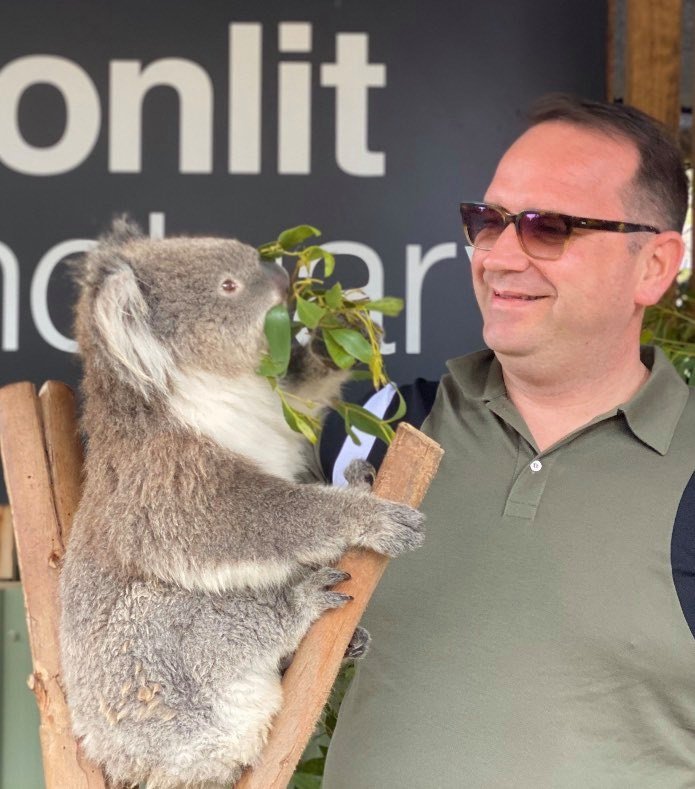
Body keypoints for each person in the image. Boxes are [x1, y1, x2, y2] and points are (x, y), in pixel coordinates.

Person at [320, 94, 695, 787]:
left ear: (654, 264)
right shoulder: (374, 429)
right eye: (486, 221)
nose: (498, 254)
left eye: (547, 227)